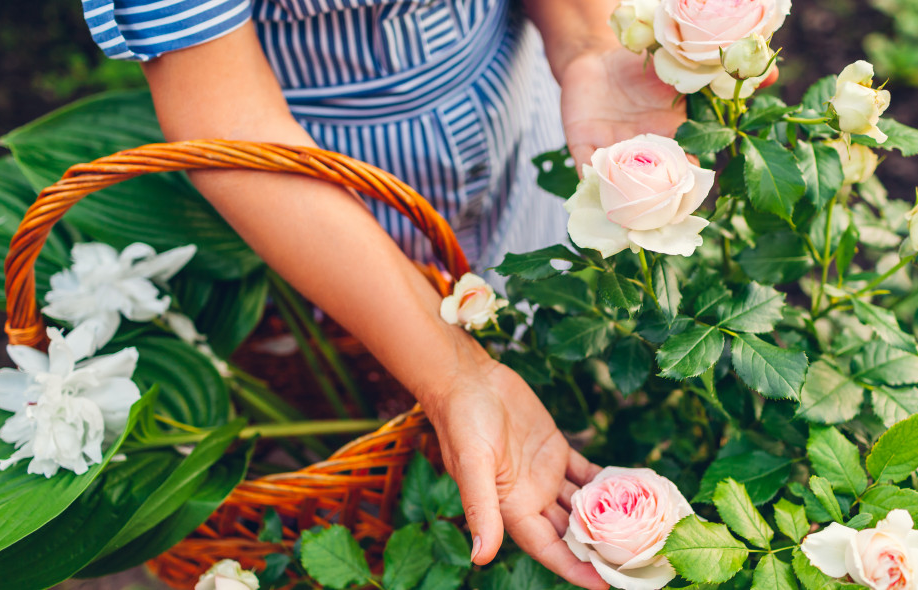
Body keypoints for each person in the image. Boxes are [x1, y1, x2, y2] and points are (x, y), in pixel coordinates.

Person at [80, 1, 685, 587]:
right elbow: (228, 119)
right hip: (329, 211)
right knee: (388, 406)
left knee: (535, 333)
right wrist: (453, 373)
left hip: (518, 121)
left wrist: (588, 44)